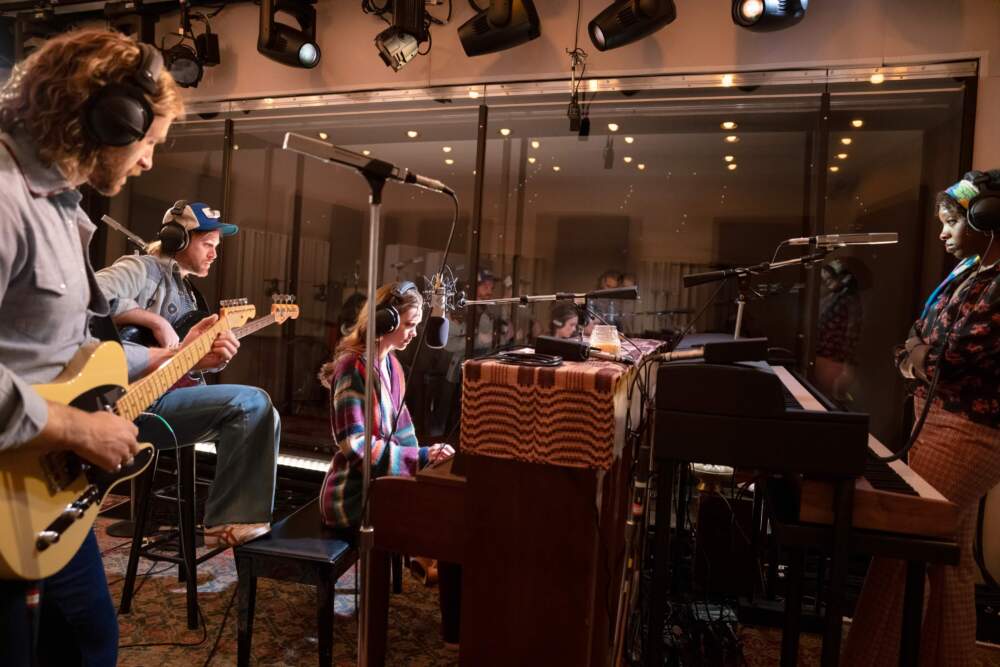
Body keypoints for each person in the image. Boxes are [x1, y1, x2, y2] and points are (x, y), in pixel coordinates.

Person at [0, 28, 183, 666]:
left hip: (45, 484)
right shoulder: (5, 197)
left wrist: (164, 358)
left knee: (88, 642)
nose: (148, 162)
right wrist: (77, 428)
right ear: (109, 120)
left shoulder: (62, 208)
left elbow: (69, 352)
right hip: (11, 492)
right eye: (148, 142)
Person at [842, 171, 1000, 665]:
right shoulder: (970, 271)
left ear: (987, 218)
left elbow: (950, 355)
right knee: (948, 558)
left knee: (904, 546)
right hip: (936, 422)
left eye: (952, 221)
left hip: (967, 433)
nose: (942, 233)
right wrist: (919, 353)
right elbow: (916, 335)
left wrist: (919, 355)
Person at [96, 201, 280, 548]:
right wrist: (154, 320)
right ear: (177, 239)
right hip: (128, 403)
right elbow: (91, 296)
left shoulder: (190, 294)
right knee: (251, 403)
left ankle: (242, 518)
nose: (214, 254)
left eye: (216, 247)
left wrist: (204, 361)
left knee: (265, 412)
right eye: (207, 244)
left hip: (165, 396)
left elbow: (177, 362)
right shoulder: (141, 268)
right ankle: (227, 521)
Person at [318, 283, 453, 527]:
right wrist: (422, 458)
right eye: (409, 324)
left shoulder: (394, 366)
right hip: (351, 498)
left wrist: (430, 460)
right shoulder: (351, 368)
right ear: (386, 321)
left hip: (383, 487)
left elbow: (405, 435)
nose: (414, 333)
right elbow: (356, 446)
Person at [814, 259, 864, 405]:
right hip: (822, 355)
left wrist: (846, 361)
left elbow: (852, 332)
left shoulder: (849, 300)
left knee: (824, 399)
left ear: (844, 277)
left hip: (833, 358)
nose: (827, 282)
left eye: (830, 278)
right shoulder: (832, 297)